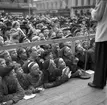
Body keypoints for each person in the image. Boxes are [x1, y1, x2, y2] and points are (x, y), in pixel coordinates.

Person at [88, 0, 107, 89]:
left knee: (100, 60)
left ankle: (98, 82)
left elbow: (98, 16)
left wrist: (92, 11)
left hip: (104, 35)